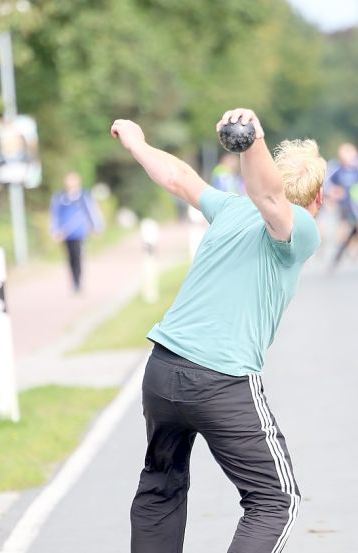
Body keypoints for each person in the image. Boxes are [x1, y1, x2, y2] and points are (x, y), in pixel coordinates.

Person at [110, 107, 325, 553]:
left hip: (162, 372)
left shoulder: (231, 208)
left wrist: (137, 142)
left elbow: (179, 178)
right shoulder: (300, 225)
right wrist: (254, 141)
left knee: (160, 488)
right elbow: (269, 199)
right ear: (318, 197)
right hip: (220, 380)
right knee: (275, 500)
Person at [49, 172, 105, 292]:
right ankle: (74, 281)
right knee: (70, 258)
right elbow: (55, 215)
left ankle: (78, 283)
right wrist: (55, 231)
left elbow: (92, 212)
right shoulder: (60, 197)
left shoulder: (84, 197)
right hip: (66, 234)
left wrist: (97, 227)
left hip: (80, 233)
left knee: (78, 256)